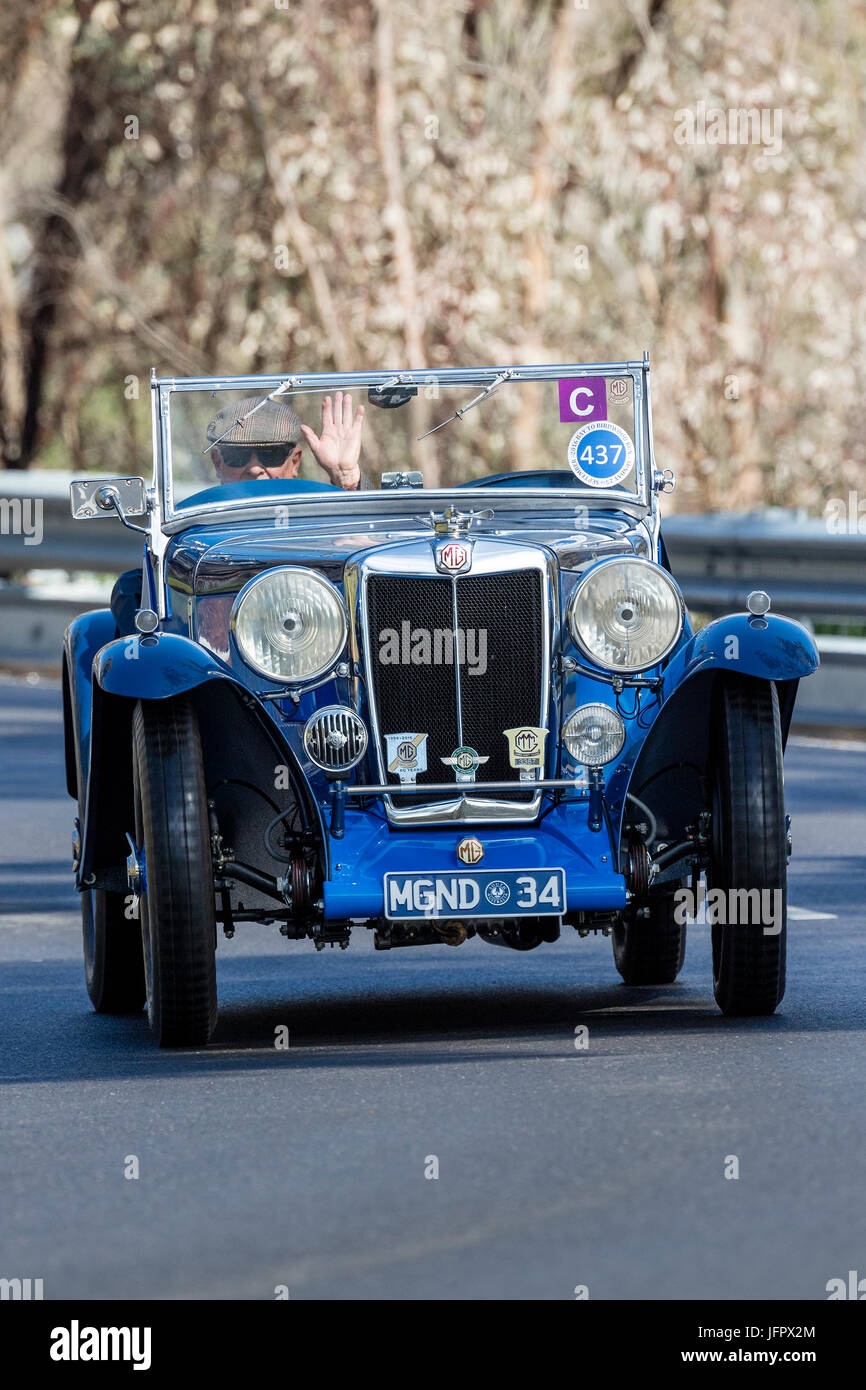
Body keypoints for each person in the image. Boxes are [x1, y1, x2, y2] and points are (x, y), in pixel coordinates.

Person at [110, 391, 368, 635]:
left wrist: (345, 478)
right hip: (223, 653)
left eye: (271, 454)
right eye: (238, 456)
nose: (255, 468)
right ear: (217, 462)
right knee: (132, 588)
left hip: (322, 640)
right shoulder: (198, 532)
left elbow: (359, 550)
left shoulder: (325, 517)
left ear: (295, 461)